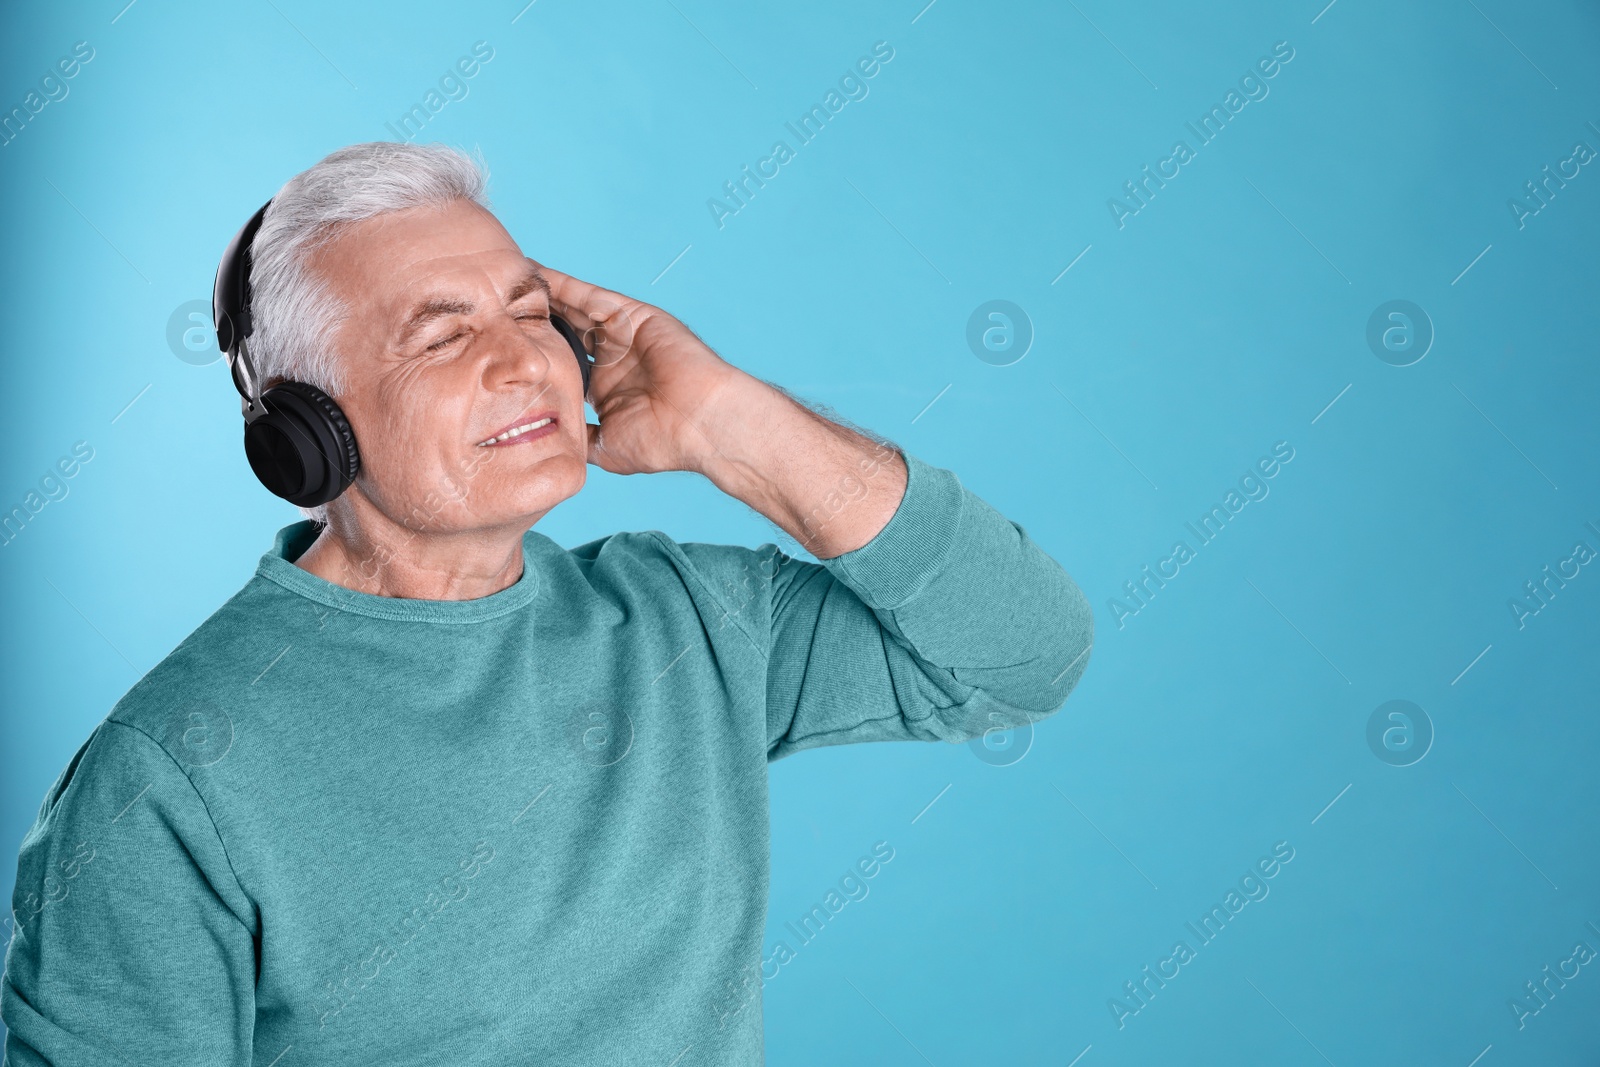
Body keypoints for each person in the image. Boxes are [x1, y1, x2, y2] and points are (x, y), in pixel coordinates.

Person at [1, 141, 1094, 1065]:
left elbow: (1022, 653)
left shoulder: (685, 619)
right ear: (302, 435)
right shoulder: (167, 777)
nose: (524, 360)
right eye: (440, 334)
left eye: (531, 312)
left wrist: (733, 424)